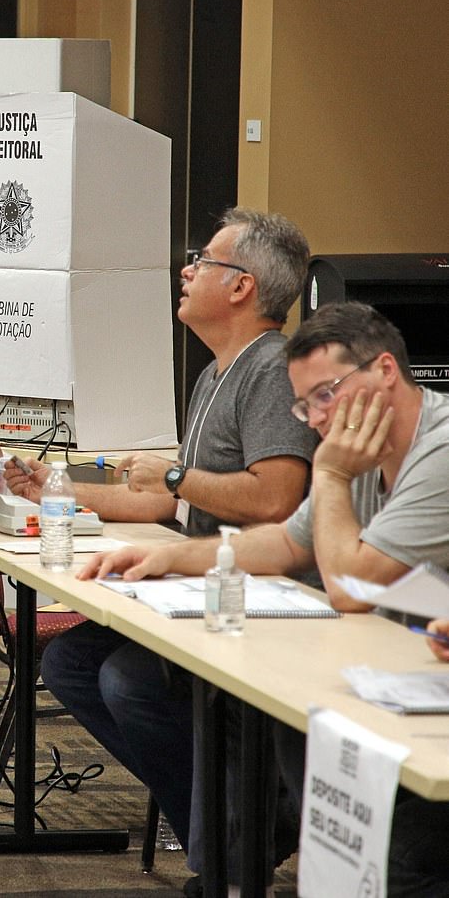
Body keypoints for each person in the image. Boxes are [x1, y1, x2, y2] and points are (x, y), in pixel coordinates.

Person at [81, 301, 449, 894]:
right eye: (306, 404)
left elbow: (352, 586)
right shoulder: (359, 445)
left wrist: (327, 475)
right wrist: (172, 557)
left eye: (327, 394)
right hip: (403, 676)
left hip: (426, 704)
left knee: (395, 863)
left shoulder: (429, 451)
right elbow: (286, 542)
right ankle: (246, 860)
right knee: (283, 716)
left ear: (385, 370)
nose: (316, 419)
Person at [5, 208, 316, 862]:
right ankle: (235, 827)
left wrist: (177, 476)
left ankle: (241, 835)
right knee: (70, 662)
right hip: (202, 587)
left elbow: (276, 496)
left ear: (241, 287)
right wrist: (55, 487)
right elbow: (162, 495)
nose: (187, 268)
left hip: (261, 596)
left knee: (128, 679)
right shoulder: (214, 373)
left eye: (202, 259)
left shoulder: (270, 368)